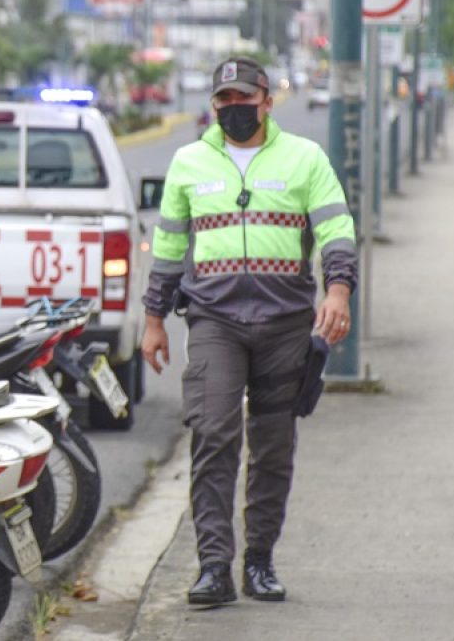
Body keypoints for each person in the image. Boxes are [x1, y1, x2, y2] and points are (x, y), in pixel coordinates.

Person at [141, 56, 357, 606]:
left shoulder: (305, 159)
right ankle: (214, 565)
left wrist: (337, 289)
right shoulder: (189, 163)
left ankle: (259, 561)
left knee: (274, 447)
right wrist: (153, 321)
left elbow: (335, 227)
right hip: (215, 321)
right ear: (213, 106)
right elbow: (167, 248)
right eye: (224, 101)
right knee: (213, 434)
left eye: (244, 98)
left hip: (284, 324)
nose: (234, 109)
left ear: (267, 100)